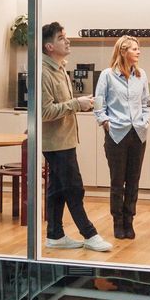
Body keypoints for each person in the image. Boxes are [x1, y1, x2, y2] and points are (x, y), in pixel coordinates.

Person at [41, 22, 112, 252]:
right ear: (49, 46)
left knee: (58, 188)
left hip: (65, 139)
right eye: (62, 38)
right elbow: (45, 111)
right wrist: (76, 104)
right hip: (55, 142)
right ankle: (89, 234)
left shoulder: (59, 68)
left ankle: (55, 234)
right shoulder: (43, 72)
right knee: (74, 187)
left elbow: (62, 106)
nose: (67, 40)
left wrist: (80, 103)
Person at [94, 35, 150, 239]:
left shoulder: (141, 75)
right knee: (117, 181)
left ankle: (129, 220)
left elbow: (145, 103)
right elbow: (99, 104)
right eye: (134, 49)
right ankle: (118, 221)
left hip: (137, 133)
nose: (138, 52)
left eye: (138, 48)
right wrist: (105, 123)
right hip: (116, 134)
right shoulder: (107, 75)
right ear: (122, 51)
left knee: (133, 180)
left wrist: (145, 121)